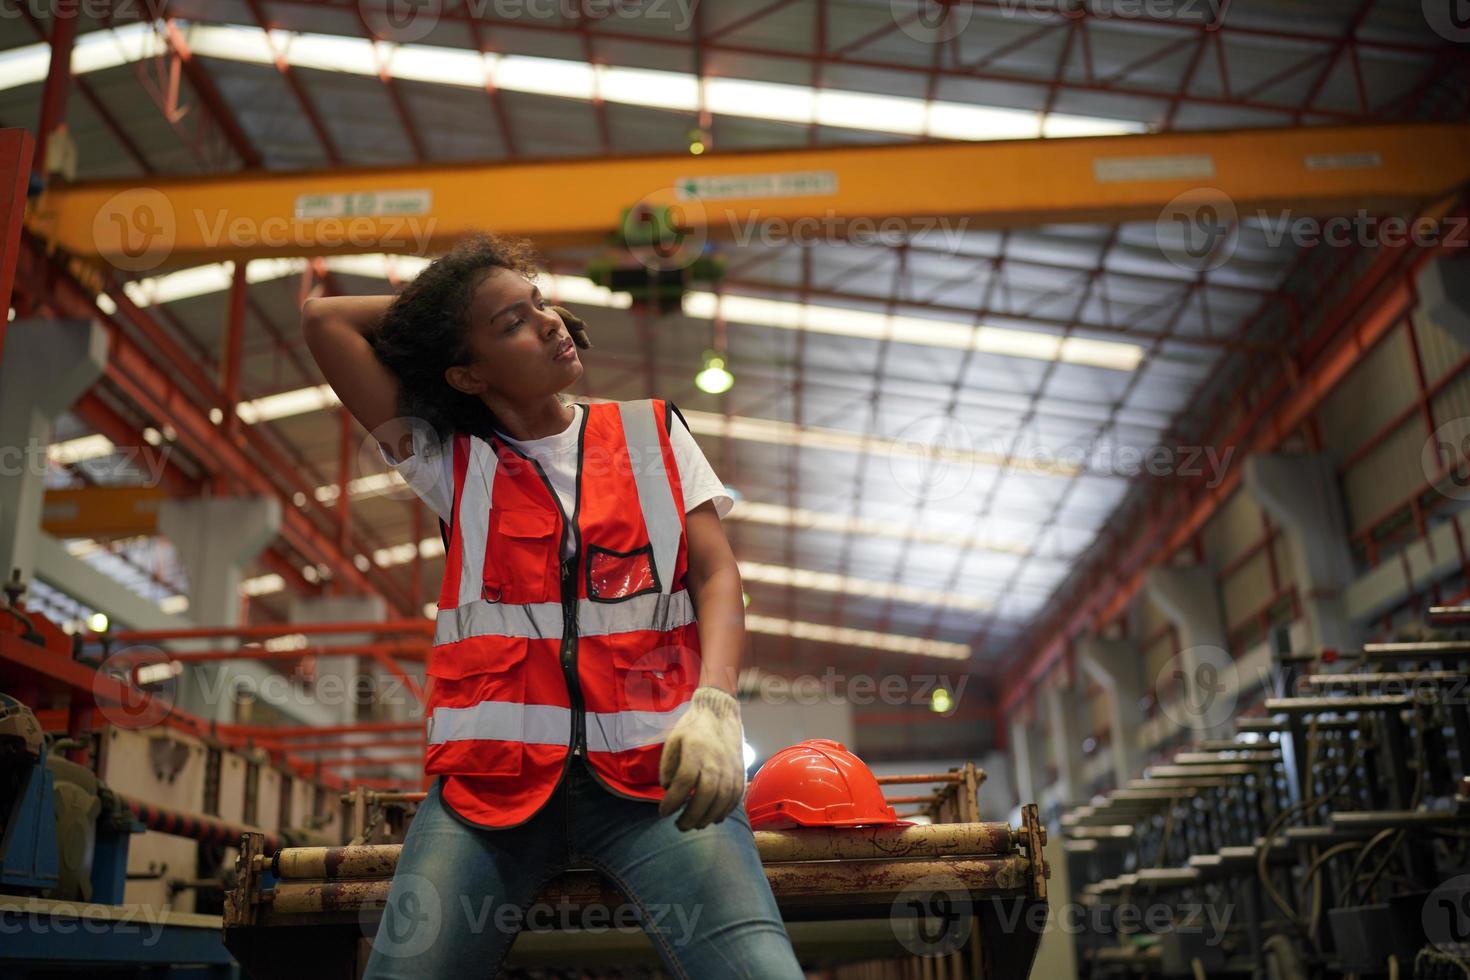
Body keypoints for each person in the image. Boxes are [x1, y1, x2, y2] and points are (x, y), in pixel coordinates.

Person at [302, 232, 805, 978]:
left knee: (762, 971)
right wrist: (450, 307)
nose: (549, 323)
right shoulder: (450, 463)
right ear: (467, 374)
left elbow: (716, 575)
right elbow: (325, 322)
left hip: (653, 784)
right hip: (488, 799)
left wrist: (716, 701)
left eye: (542, 304)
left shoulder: (651, 432)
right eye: (513, 323)